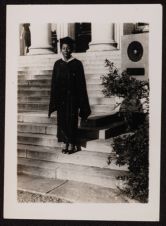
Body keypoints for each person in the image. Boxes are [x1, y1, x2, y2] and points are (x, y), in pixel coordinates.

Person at [48, 36, 91, 154]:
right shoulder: (57, 64)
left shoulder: (77, 64)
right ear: (61, 49)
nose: (66, 50)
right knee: (62, 121)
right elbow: (54, 84)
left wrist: (82, 104)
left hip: (73, 98)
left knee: (72, 120)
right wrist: (54, 101)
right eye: (63, 48)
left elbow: (81, 85)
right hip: (62, 99)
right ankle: (64, 142)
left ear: (71, 49)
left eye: (68, 48)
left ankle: (72, 143)